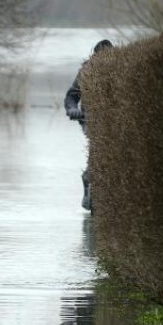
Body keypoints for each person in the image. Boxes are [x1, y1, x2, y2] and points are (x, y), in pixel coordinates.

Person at [64, 39, 113, 211]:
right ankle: (89, 181)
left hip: (114, 123)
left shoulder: (119, 74)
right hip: (91, 121)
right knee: (98, 151)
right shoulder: (86, 72)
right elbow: (71, 96)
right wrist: (72, 109)